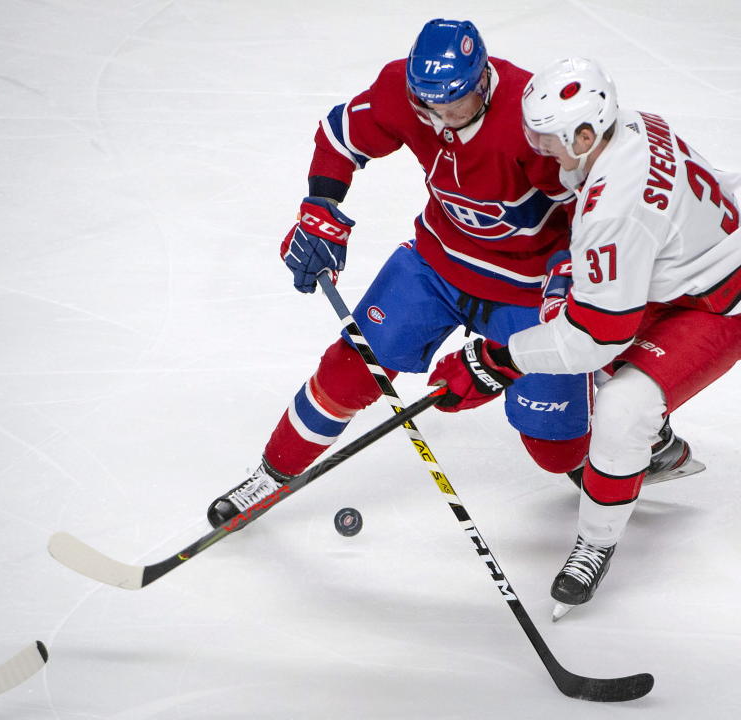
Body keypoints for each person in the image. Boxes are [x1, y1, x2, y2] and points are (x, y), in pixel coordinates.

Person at [427, 57, 741, 619]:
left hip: (726, 298)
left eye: (549, 141)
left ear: (586, 134)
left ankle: (595, 540)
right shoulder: (629, 124)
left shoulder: (614, 210)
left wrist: (489, 362)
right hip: (697, 259)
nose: (540, 153)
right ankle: (659, 445)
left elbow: (594, 339)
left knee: (621, 406)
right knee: (593, 336)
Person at [206, 20, 595, 525]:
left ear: (482, 83)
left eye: (453, 106)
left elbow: (590, 207)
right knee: (350, 370)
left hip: (527, 289)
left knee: (554, 452)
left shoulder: (532, 116)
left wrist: (570, 279)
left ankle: (618, 419)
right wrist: (319, 208)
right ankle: (271, 475)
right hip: (437, 265)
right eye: (427, 105)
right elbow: (341, 134)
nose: (440, 119)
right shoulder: (405, 93)